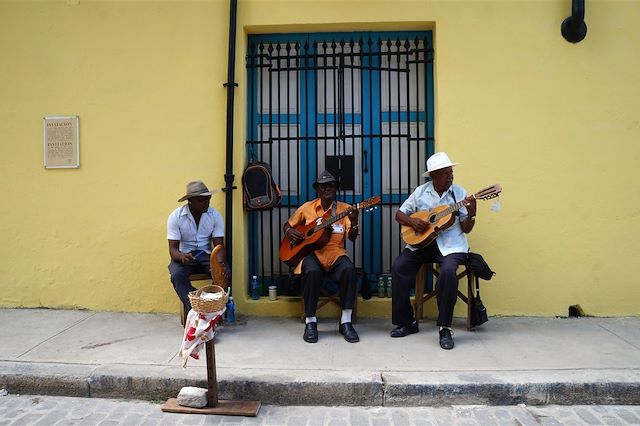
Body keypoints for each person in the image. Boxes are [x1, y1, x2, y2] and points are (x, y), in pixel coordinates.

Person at [390, 152, 477, 350]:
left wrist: (471, 215)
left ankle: (445, 327)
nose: (450, 177)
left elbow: (466, 228)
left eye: (451, 173)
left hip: (451, 246)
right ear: (434, 175)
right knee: (399, 267)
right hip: (422, 244)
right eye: (446, 173)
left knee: (447, 272)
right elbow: (399, 214)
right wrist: (413, 222)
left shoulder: (460, 194)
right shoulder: (421, 192)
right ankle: (407, 322)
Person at [283, 170, 360, 343]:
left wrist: (354, 222)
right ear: (318, 189)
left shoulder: (345, 210)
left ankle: (346, 321)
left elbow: (352, 237)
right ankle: (311, 322)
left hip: (336, 253)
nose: (327, 188)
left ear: (336, 188)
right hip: (312, 253)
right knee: (311, 272)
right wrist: (290, 232)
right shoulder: (307, 208)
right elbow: (287, 224)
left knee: (349, 269)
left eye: (331, 185)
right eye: (323, 186)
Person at [167, 180, 229, 317]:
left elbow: (219, 247)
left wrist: (219, 264)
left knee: (224, 273)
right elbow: (172, 249)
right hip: (184, 256)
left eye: (208, 198)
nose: (207, 202)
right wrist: (182, 257)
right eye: (202, 200)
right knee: (177, 275)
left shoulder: (215, 216)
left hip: (206, 255)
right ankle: (194, 310)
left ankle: (210, 306)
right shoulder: (176, 217)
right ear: (191, 201)